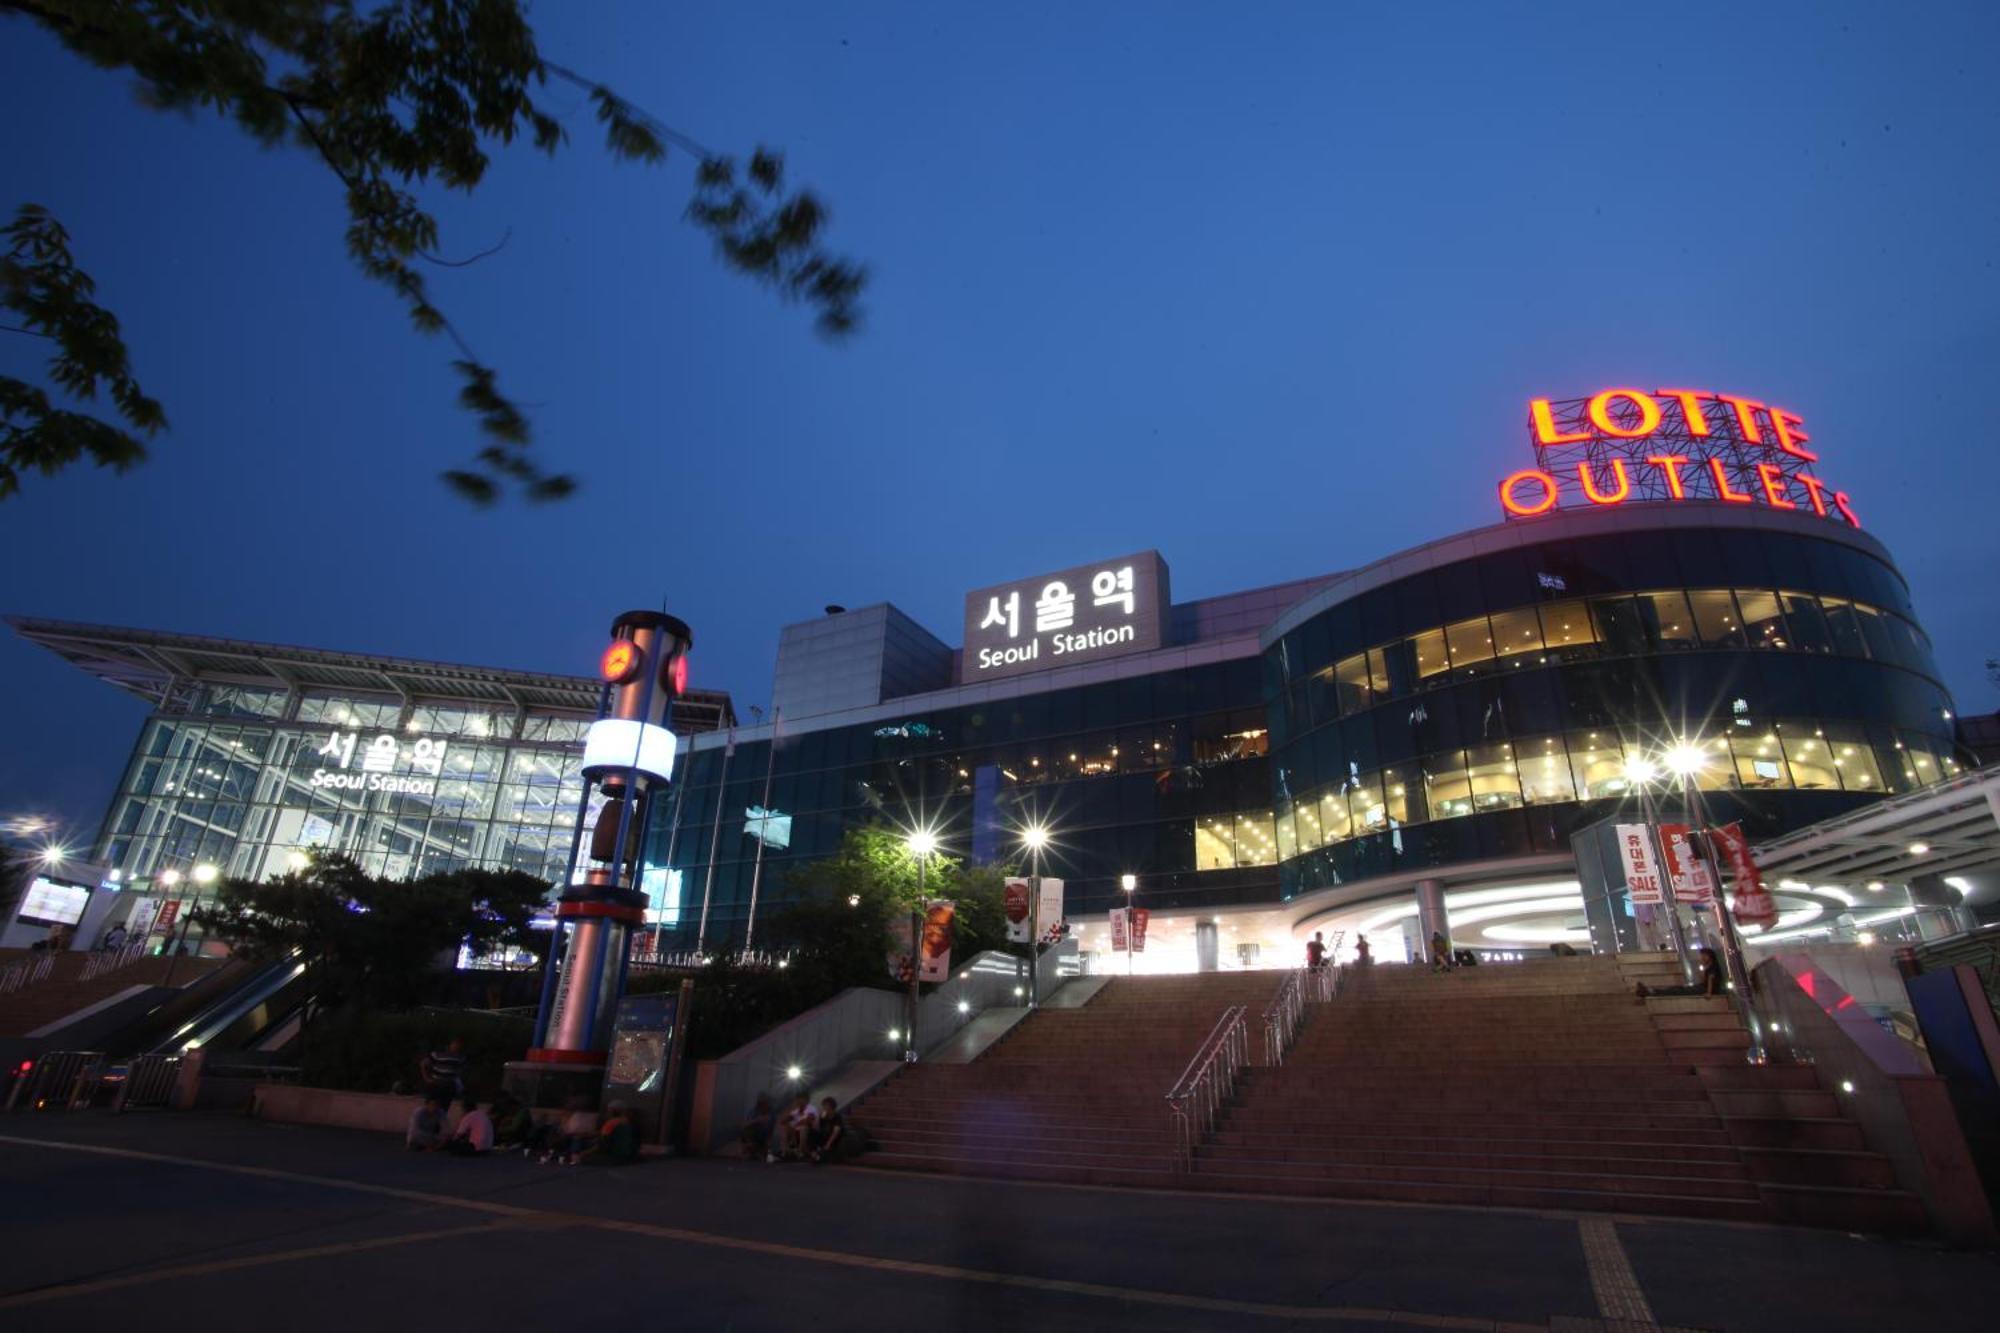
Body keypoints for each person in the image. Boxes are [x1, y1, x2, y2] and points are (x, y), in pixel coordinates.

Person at [543, 1095, 598, 1165]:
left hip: (582, 1138)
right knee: (574, 1138)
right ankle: (571, 1155)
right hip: (568, 1136)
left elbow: (593, 1131)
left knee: (576, 1138)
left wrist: (584, 1134)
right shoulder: (570, 1115)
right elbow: (565, 1129)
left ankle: (574, 1156)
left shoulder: (590, 1116)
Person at [769, 1091, 818, 1163]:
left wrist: (795, 1125)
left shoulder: (811, 1109)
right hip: (796, 1132)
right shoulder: (796, 1110)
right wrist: (790, 1109)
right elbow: (783, 1121)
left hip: (810, 1131)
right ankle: (784, 1152)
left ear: (806, 1100)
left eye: (801, 1099)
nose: (799, 1101)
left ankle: (800, 1152)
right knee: (784, 1128)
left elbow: (807, 1121)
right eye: (798, 1099)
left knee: (803, 1128)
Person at [585, 1100, 639, 1165]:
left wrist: (583, 1154)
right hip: (628, 1155)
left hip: (613, 1156)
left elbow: (602, 1145)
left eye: (608, 1110)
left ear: (613, 1111)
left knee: (584, 1158)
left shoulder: (611, 1123)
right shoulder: (628, 1122)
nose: (607, 1112)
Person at [420, 1037, 467, 1106]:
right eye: (455, 1044)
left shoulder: (460, 1057)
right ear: (450, 1044)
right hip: (437, 1083)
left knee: (445, 1105)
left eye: (459, 1045)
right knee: (431, 1104)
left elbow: (460, 1071)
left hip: (449, 1085)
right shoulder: (438, 1054)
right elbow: (423, 1064)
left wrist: (457, 1081)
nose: (456, 1047)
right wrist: (427, 1079)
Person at [809, 1096, 856, 1164]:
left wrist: (828, 1144)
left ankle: (818, 1157)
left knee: (826, 1150)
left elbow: (836, 1132)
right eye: (823, 1106)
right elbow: (816, 1128)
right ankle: (814, 1155)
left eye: (825, 1106)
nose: (824, 1108)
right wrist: (818, 1119)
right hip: (825, 1136)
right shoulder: (824, 1116)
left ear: (831, 1107)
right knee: (811, 1132)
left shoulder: (837, 1116)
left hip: (835, 1139)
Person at [740, 1092, 777, 1160]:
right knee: (748, 1129)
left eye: (766, 1103)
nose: (765, 1105)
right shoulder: (753, 1112)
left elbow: (772, 1129)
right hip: (754, 1136)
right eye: (763, 1103)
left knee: (768, 1150)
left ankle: (759, 1152)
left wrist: (769, 1142)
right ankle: (751, 1149)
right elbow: (743, 1125)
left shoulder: (772, 1114)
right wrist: (757, 1120)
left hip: (764, 1137)